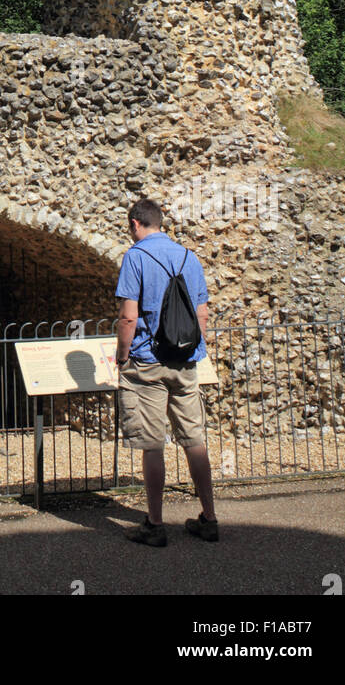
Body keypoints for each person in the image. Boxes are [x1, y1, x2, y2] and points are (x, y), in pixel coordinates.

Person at [115, 196, 218, 546]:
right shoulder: (190, 257)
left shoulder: (136, 257)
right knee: (195, 439)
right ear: (161, 222)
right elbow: (202, 313)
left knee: (153, 443)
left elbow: (129, 316)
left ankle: (155, 524)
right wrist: (194, 350)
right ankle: (209, 517)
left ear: (134, 224)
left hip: (147, 361)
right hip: (185, 361)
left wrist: (122, 355)